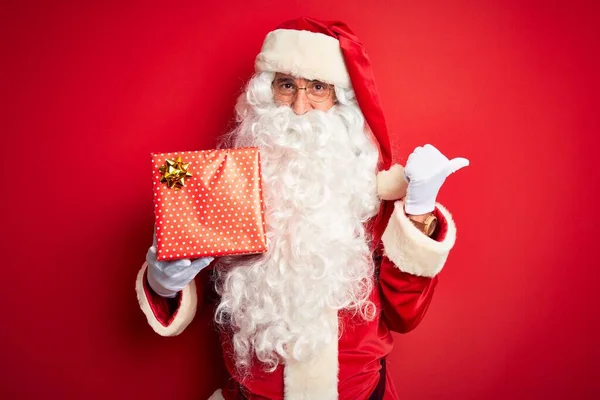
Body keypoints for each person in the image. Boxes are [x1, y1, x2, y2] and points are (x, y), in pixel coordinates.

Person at [136, 17, 469, 400]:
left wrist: (418, 212)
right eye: (287, 85)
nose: (299, 106)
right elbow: (194, 289)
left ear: (339, 101)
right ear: (267, 92)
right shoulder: (222, 183)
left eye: (317, 88)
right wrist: (164, 281)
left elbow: (404, 315)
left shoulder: (368, 194)